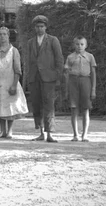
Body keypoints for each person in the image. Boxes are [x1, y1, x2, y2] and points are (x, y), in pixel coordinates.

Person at [23, 15, 63, 143]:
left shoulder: (53, 40)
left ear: (46, 27)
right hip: (35, 77)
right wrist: (28, 77)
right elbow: (28, 61)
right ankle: (41, 133)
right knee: (36, 104)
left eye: (42, 26)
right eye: (37, 26)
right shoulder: (30, 42)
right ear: (34, 28)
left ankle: (50, 133)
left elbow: (59, 59)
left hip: (49, 78)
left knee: (48, 105)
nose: (40, 29)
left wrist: (57, 75)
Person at [0, 26, 28, 139]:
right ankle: (2, 131)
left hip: (10, 83)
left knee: (9, 107)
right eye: (0, 34)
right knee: (0, 106)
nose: (2, 37)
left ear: (8, 36)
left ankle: (9, 131)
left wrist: (14, 85)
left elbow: (17, 70)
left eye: (4, 34)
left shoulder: (13, 51)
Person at [64, 36, 97, 142]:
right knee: (74, 109)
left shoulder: (90, 57)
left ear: (86, 45)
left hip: (85, 81)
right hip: (73, 82)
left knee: (85, 109)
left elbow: (93, 74)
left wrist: (93, 89)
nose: (79, 46)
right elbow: (67, 74)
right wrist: (66, 89)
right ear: (74, 45)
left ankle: (85, 134)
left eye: (82, 44)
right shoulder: (70, 57)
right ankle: (75, 134)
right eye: (77, 44)